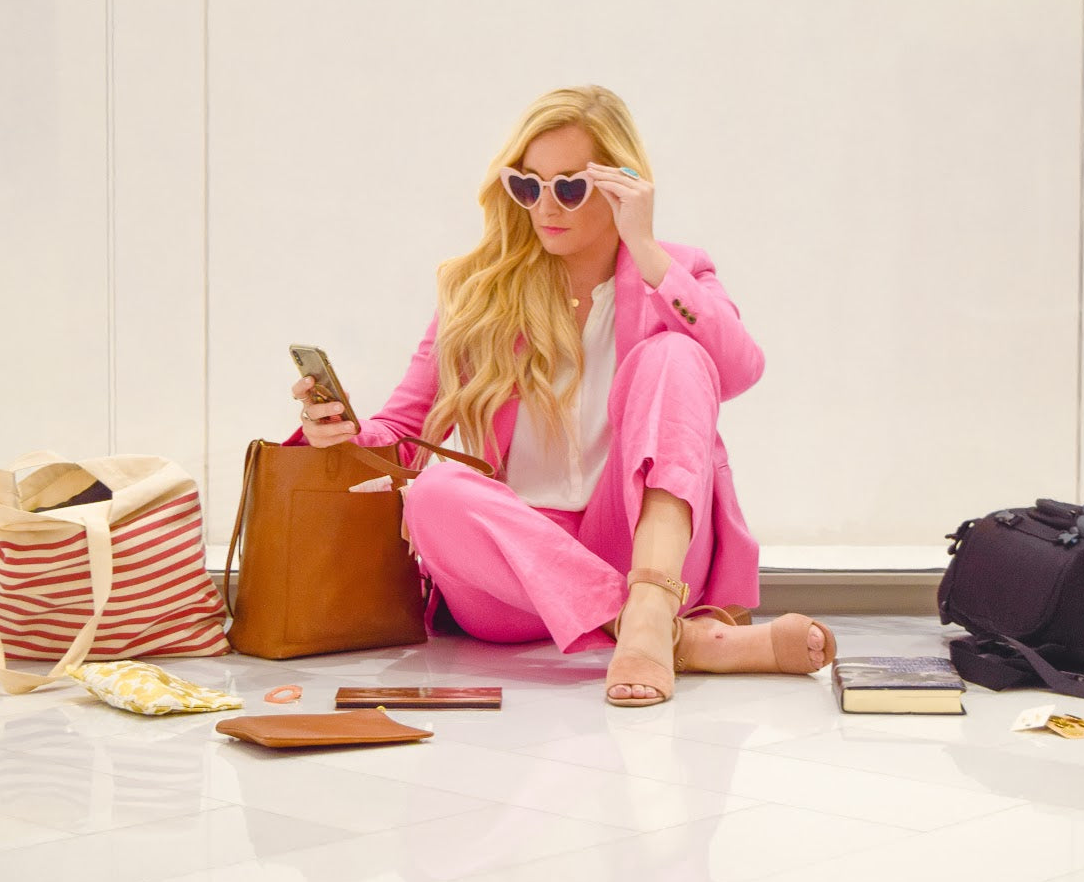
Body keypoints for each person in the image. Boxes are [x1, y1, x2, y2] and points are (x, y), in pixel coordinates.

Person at [286, 85, 835, 707]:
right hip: (517, 567)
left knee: (676, 355)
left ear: (620, 186)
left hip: (646, 541)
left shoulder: (674, 273)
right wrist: (335, 428)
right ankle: (672, 638)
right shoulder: (479, 293)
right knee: (434, 492)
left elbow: (739, 369)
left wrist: (649, 254)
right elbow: (401, 434)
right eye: (528, 185)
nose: (546, 206)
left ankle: (651, 611)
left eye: (569, 186)